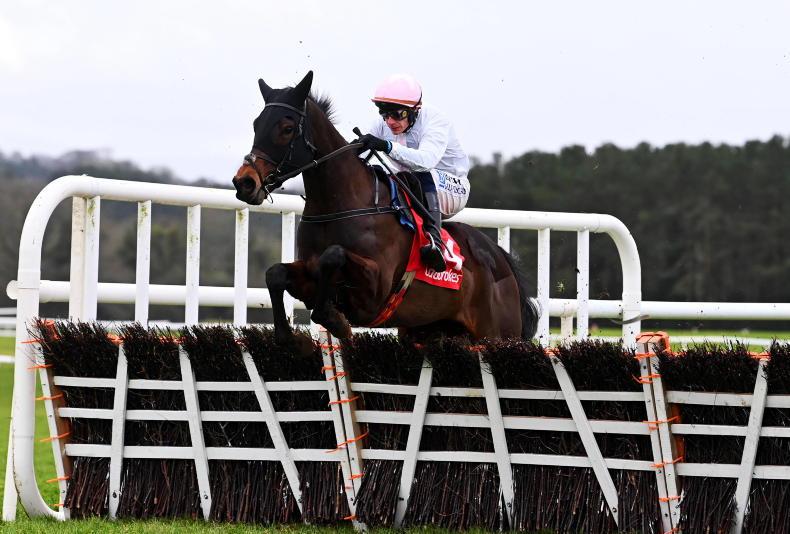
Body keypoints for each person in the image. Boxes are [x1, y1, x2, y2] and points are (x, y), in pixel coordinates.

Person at [357, 74, 470, 272]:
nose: (390, 121)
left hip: (452, 188)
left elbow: (426, 161)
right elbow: (356, 153)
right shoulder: (384, 123)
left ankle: (435, 241)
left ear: (414, 110)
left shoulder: (436, 120)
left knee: (417, 173)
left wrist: (386, 146)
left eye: (397, 114)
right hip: (415, 185)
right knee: (378, 172)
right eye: (384, 114)